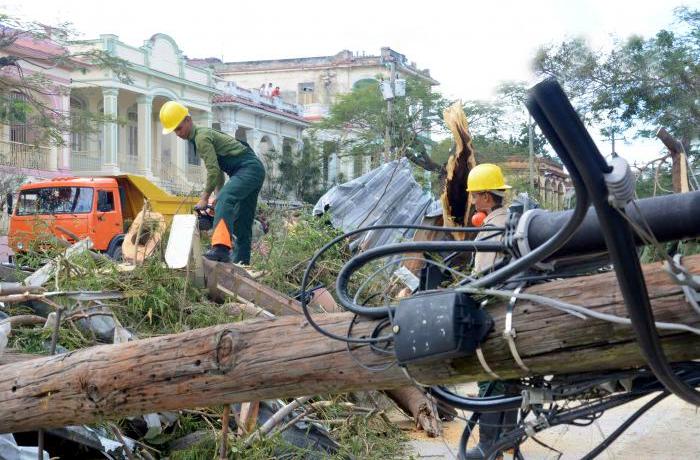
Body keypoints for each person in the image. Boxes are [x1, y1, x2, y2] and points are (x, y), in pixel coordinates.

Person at [159, 101, 265, 265]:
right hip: (253, 170)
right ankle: (242, 263)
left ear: (188, 120)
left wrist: (205, 197)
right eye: (174, 131)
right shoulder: (200, 136)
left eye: (179, 128)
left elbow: (213, 171)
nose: (177, 134)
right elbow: (219, 172)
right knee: (242, 221)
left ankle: (221, 248)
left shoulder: (201, 137)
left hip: (248, 168)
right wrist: (217, 198)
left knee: (226, 199)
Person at [464, 163, 518, 459]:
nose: (473, 201)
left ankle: (488, 447)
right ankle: (510, 438)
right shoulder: (511, 220)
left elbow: (484, 278)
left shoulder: (491, 229)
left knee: (489, 376)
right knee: (510, 376)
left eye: (475, 196)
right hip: (514, 310)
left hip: (493, 312)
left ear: (486, 197)